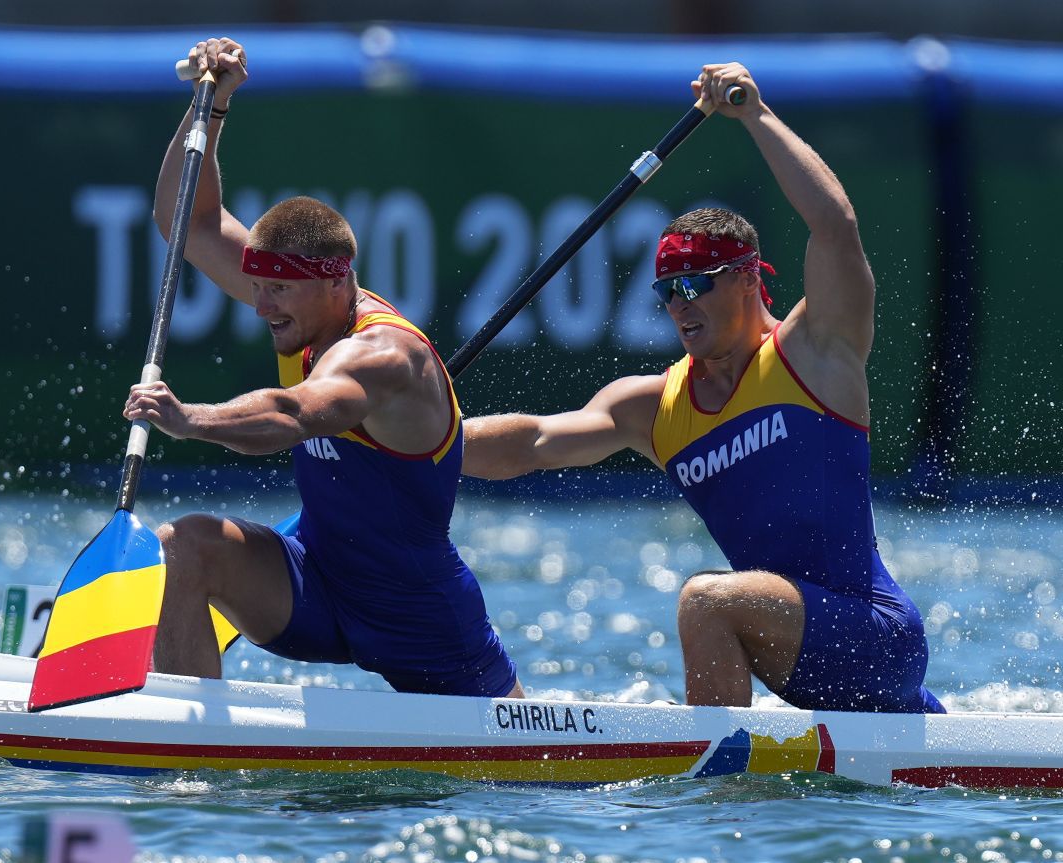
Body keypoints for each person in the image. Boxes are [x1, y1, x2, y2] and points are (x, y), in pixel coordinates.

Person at [462, 62, 943, 714]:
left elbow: (836, 227)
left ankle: (713, 799)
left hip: (877, 636)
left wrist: (756, 116)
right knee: (714, 603)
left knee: (704, 600)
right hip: (799, 656)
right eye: (666, 291)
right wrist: (420, 441)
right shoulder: (657, 408)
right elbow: (536, 440)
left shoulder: (813, 351)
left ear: (748, 277)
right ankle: (721, 768)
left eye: (695, 284)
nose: (679, 304)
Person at [126, 36, 522, 698]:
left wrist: (189, 418)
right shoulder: (300, 308)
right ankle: (181, 755)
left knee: (522, 775)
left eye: (279, 288)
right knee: (184, 546)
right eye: (257, 284)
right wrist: (211, 106)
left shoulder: (385, 355)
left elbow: (295, 413)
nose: (260, 304)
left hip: (419, 616)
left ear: (337, 282)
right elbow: (183, 220)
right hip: (315, 577)